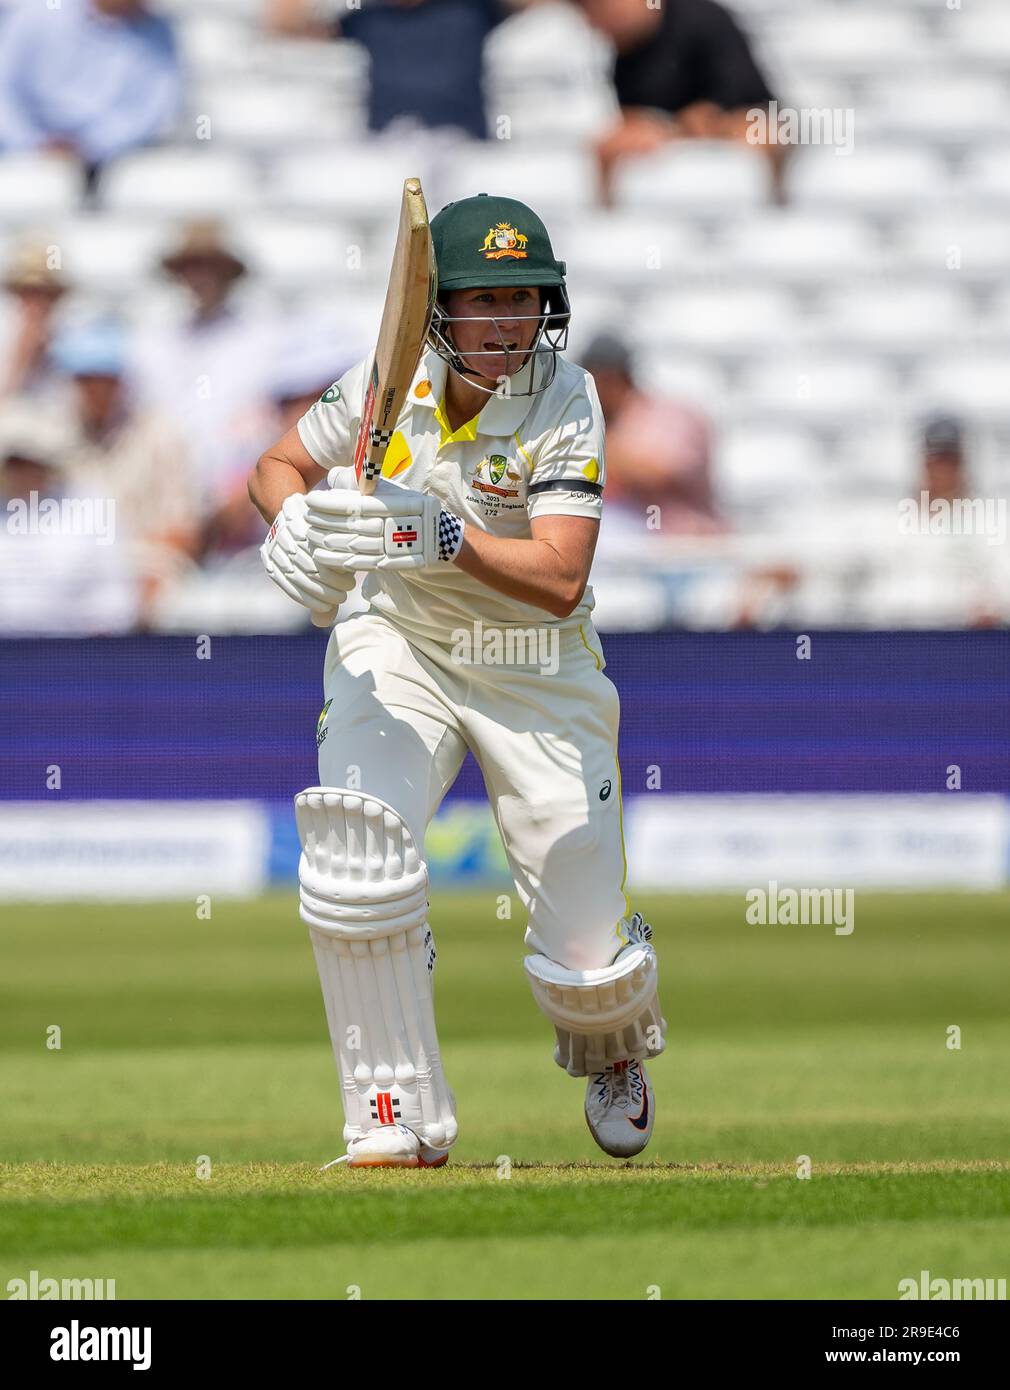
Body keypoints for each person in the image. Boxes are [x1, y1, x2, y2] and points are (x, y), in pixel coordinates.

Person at [249, 192, 666, 1168]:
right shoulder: (385, 381)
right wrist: (294, 520)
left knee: (587, 968)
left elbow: (561, 580)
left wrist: (445, 537)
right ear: (440, 308)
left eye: (523, 300)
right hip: (399, 641)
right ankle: (391, 1109)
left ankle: (612, 1047)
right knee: (359, 852)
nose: (505, 322)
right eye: (483, 301)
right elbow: (276, 464)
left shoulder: (567, 397)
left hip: (534, 663)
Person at [573, 0, 785, 203]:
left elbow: (739, 97)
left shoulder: (704, 19)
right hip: (669, 141)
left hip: (741, 125)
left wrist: (687, 125)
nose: (593, 23)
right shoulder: (624, 51)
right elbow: (633, 115)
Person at [0, 0, 181, 184]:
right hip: (23, 158)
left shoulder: (159, 33)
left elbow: (149, 114)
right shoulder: (38, 16)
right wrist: (34, 144)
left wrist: (90, 148)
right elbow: (5, 93)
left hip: (110, 166)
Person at [581, 332, 724, 543]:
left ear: (609, 378)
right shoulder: (606, 423)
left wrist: (593, 448)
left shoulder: (669, 415)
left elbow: (659, 473)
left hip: (689, 547)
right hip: (634, 547)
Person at [1, 240, 72, 403]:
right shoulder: (4, 336)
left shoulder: (71, 341)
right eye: (28, 293)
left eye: (46, 294)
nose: (36, 303)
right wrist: (22, 354)